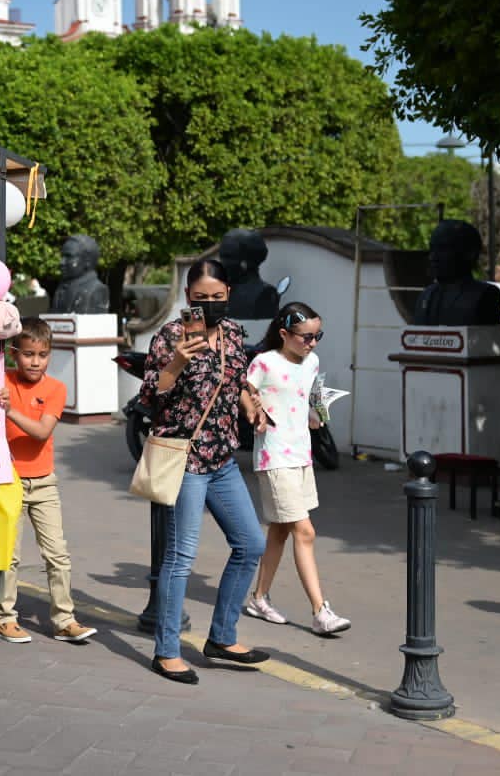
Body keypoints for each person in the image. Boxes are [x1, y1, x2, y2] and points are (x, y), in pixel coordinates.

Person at [141, 259, 269, 685]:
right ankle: (166, 651)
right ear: (188, 297)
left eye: (217, 298)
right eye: (201, 299)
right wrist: (176, 363)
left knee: (251, 543)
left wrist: (250, 400)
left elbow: (236, 378)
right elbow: (150, 398)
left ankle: (222, 637)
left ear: (228, 293)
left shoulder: (233, 333)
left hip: (223, 459)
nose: (210, 306)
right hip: (187, 460)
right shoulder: (171, 336)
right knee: (181, 558)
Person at [242, 302, 351, 636]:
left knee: (280, 530)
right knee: (305, 531)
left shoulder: (312, 361)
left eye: (318, 336)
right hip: (274, 458)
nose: (312, 343)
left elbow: (310, 398)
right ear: (284, 334)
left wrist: (317, 414)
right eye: (305, 337)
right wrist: (253, 411)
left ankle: (258, 599)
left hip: (302, 455)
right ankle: (321, 612)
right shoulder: (264, 362)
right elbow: (243, 390)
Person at [0, 317, 98, 645]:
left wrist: (9, 412)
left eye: (42, 354)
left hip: (44, 482)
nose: (35, 361)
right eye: (27, 354)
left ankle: (64, 619)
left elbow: (41, 433)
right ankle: (4, 618)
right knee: (9, 555)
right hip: (7, 480)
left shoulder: (56, 389)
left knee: (57, 554)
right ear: (13, 353)